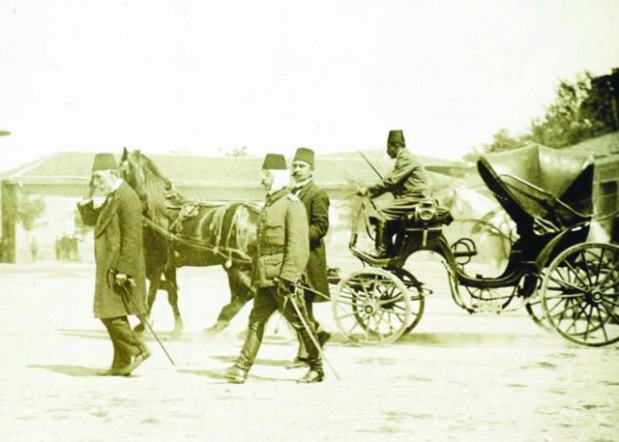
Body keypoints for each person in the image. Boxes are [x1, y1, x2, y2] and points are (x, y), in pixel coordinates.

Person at [225, 153, 324, 384]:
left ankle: (318, 367)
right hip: (265, 278)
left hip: (282, 280)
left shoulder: (292, 205)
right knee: (256, 321)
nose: (262, 179)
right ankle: (241, 368)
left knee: (300, 324)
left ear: (276, 177)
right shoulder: (270, 204)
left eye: (265, 175)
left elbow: (298, 246)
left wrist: (289, 277)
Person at [77, 153, 150, 376]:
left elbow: (133, 237)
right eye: (93, 178)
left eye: (98, 177)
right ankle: (121, 362)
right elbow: (91, 220)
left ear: (112, 174)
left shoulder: (127, 197)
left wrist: (124, 270)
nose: (96, 182)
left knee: (109, 312)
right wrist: (88, 194)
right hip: (111, 264)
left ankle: (137, 350)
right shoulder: (112, 195)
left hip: (120, 266)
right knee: (110, 310)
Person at [287, 147, 331, 369]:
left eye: (301, 166)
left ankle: (308, 355)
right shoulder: (291, 193)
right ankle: (311, 347)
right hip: (294, 257)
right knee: (298, 307)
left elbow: (321, 227)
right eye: (294, 165)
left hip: (309, 259)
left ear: (311, 170)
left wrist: (297, 234)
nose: (296, 169)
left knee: (302, 307)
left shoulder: (316, 194)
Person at [358, 130, 430, 257]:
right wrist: (370, 195)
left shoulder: (405, 158)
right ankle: (389, 250)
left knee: (381, 214)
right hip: (413, 196)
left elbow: (391, 181)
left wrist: (368, 189)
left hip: (416, 197)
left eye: (388, 148)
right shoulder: (405, 158)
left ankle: (380, 251)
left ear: (395, 146)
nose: (387, 152)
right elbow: (391, 182)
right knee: (389, 221)